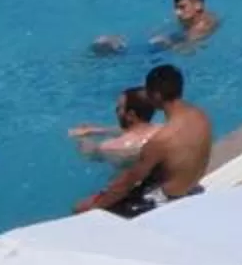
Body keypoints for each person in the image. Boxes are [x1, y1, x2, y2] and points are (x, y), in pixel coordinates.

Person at [76, 64, 208, 215]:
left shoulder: (160, 141)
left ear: (156, 96)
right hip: (191, 187)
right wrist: (99, 130)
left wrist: (94, 207)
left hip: (169, 200)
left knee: (80, 207)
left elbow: (126, 184)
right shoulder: (199, 116)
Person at [70, 88, 160, 160]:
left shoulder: (112, 147)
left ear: (130, 115)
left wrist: (81, 138)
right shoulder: (163, 131)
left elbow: (89, 154)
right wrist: (97, 130)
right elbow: (132, 133)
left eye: (119, 108)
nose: (116, 111)